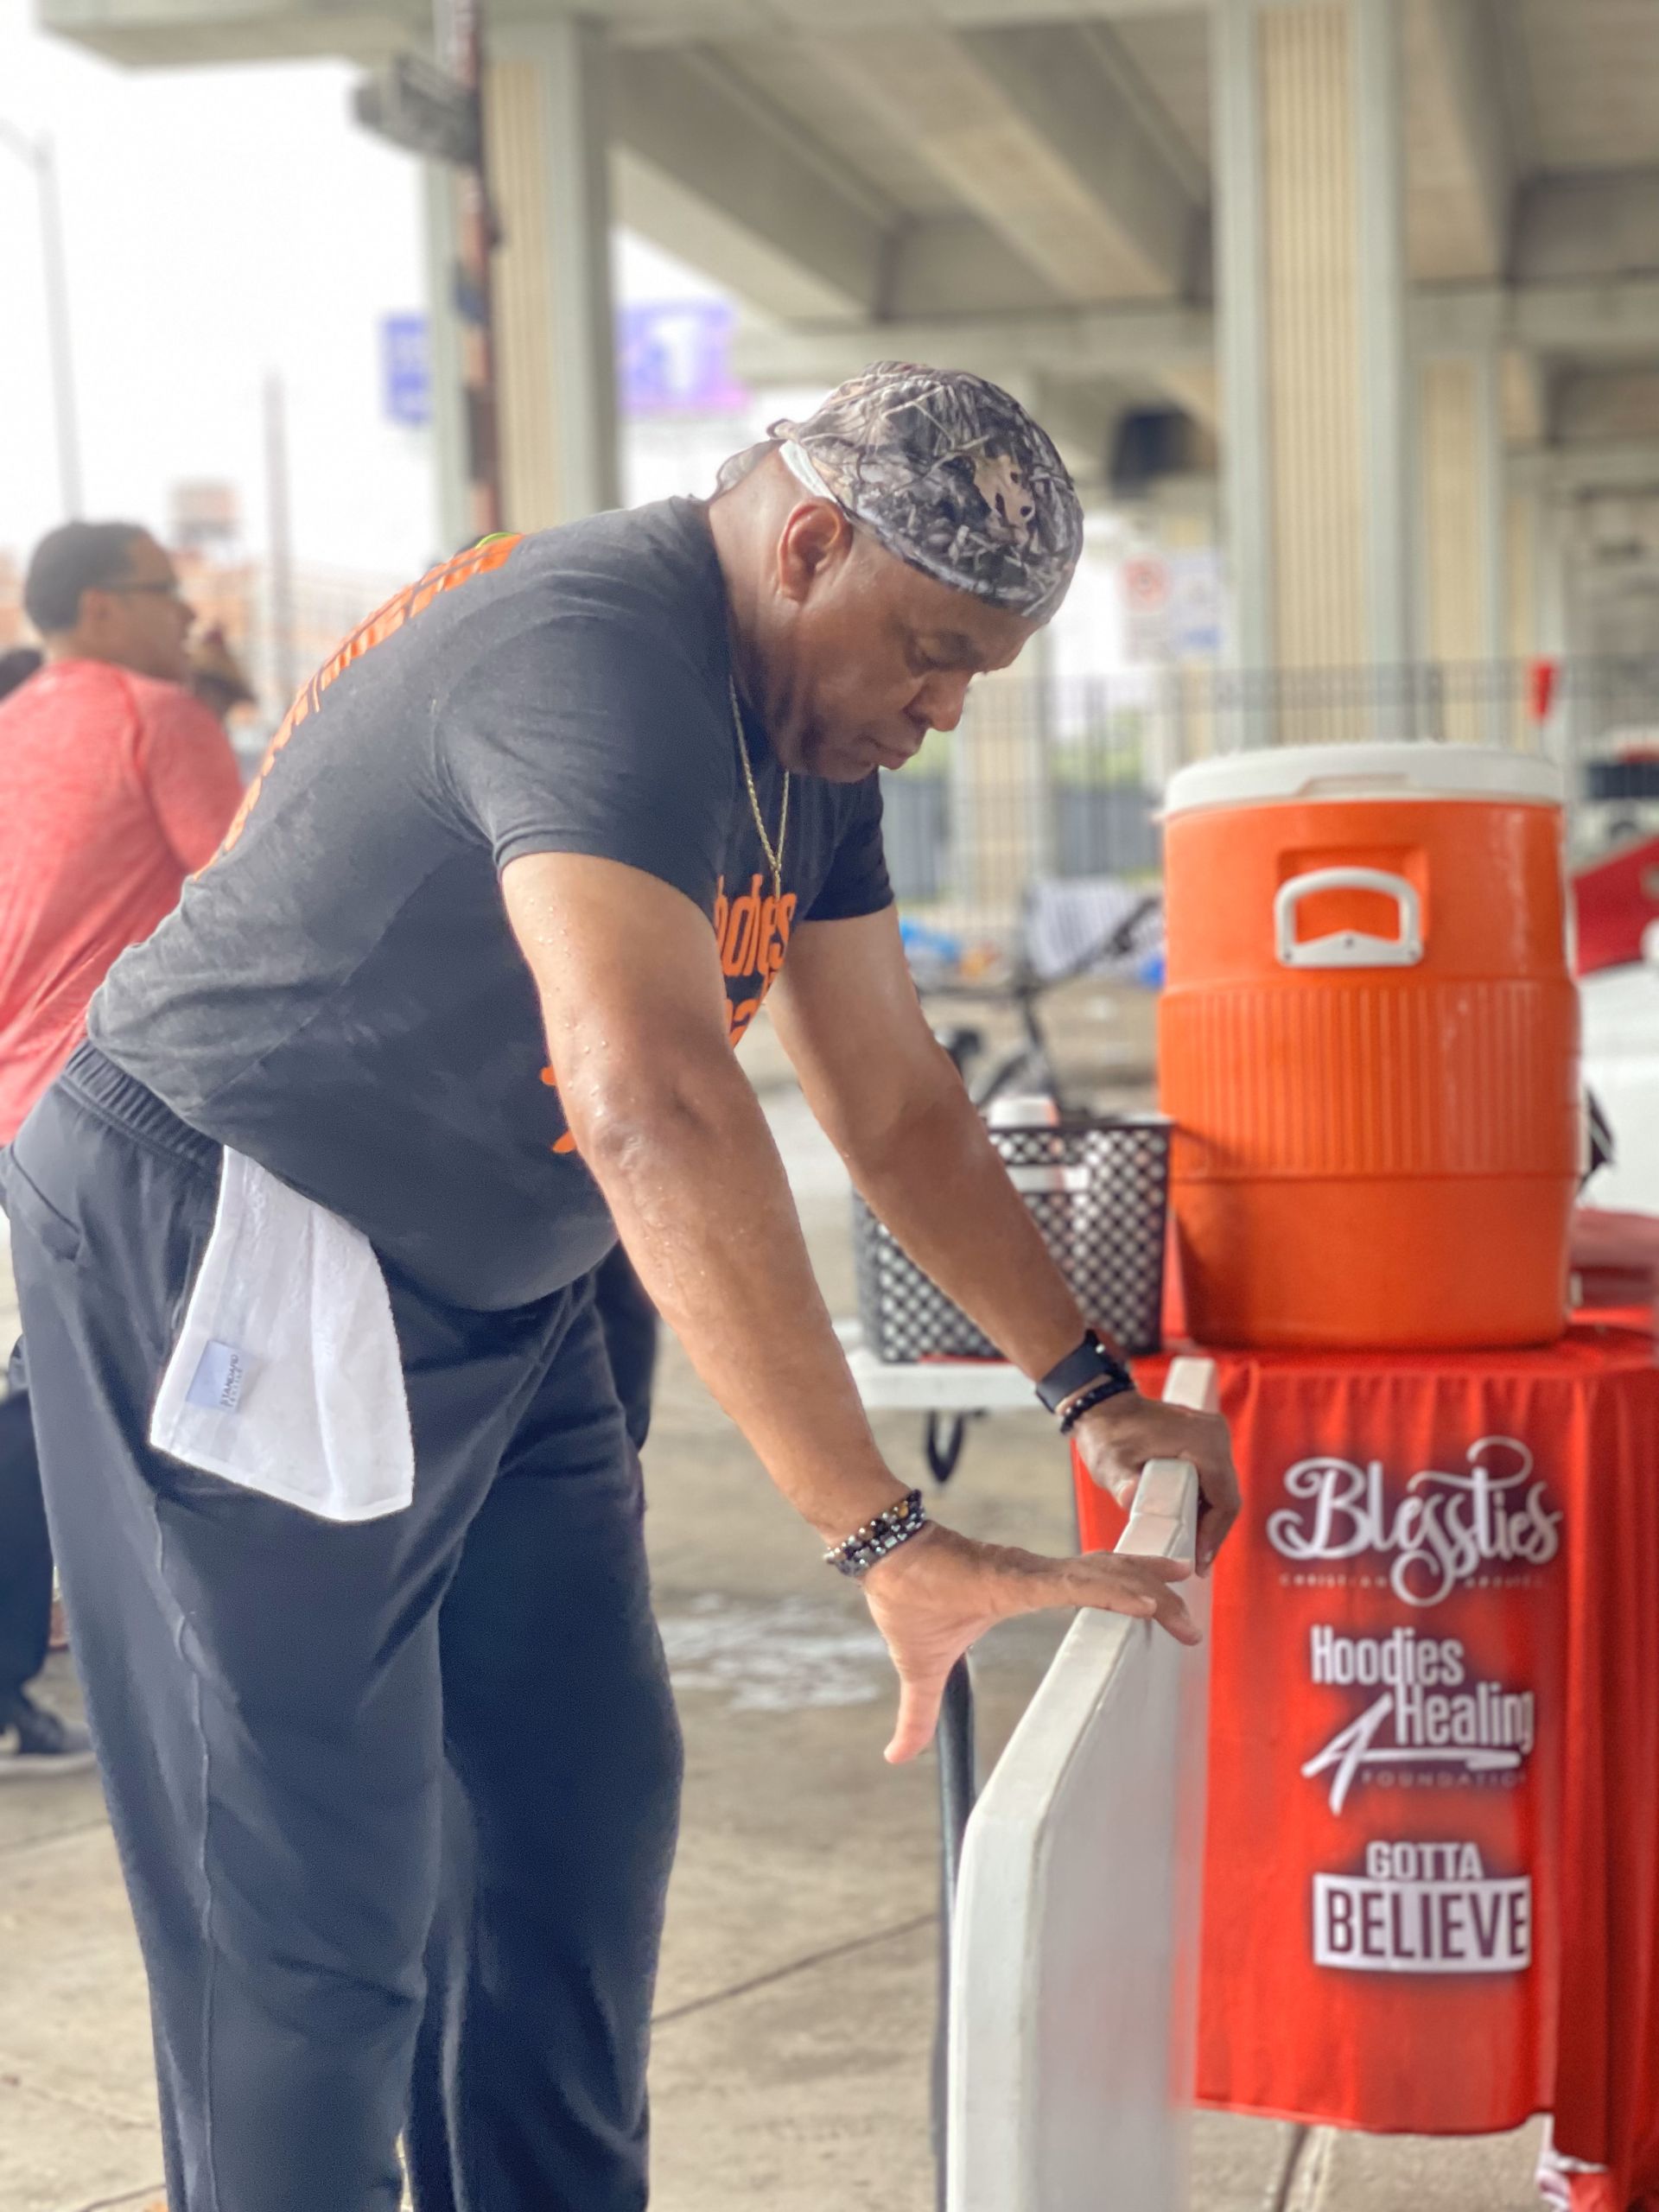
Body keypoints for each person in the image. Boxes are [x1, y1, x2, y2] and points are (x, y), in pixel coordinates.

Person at [2, 365, 1238, 2211]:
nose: (945, 707)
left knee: (573, 1827)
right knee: (312, 1909)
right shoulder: (596, 654)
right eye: (933, 649)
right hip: (252, 1225)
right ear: (810, 542)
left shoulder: (811, 738)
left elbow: (891, 1097)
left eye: (983, 668)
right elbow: (651, 1094)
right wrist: (882, 1532)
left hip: (513, 1272)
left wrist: (1084, 1377)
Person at [0, 521, 242, 1777]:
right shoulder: (157, 714)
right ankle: (161, 1677)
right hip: (130, 1112)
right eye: (164, 591)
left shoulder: (16, 724)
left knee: (49, 1387)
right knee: (145, 1399)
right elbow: (253, 894)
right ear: (101, 607)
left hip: (17, 1112)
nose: (184, 614)